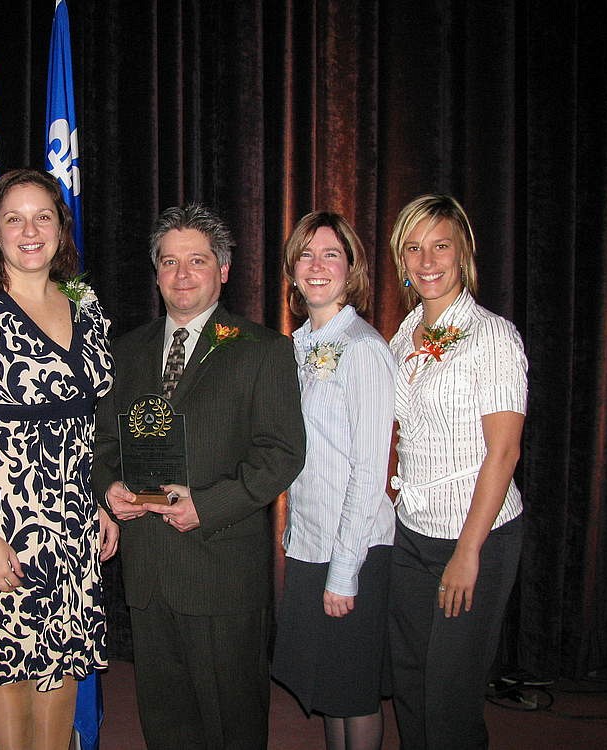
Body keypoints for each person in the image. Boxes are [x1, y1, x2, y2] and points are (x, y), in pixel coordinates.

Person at [93, 204, 307, 750]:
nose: (181, 275)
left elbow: (281, 454)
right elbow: (104, 445)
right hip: (149, 568)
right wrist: (108, 488)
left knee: (232, 722)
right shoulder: (126, 351)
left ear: (224, 270)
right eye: (169, 262)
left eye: (197, 261)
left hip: (221, 568)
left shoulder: (263, 349)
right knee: (165, 720)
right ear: (156, 272)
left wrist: (206, 506)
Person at [0, 168, 118, 750]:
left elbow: (99, 421)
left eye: (43, 216)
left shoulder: (86, 311)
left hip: (71, 524)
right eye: (14, 218)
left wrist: (103, 500)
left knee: (60, 669)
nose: (29, 229)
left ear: (62, 229)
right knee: (4, 670)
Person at [386, 194, 528, 749]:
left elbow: (504, 453)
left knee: (451, 699)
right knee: (412, 685)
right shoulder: (405, 334)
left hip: (476, 537)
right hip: (413, 533)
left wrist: (468, 553)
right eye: (414, 248)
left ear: (463, 250)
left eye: (439, 245)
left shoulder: (493, 336)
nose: (426, 261)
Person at [271, 212, 395, 750]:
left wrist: (345, 570)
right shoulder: (295, 345)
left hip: (356, 546)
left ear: (352, 269)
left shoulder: (365, 348)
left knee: (354, 692)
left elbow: (369, 471)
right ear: (293, 270)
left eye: (331, 255)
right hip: (310, 540)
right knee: (329, 688)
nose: (317, 265)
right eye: (306, 254)